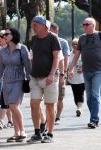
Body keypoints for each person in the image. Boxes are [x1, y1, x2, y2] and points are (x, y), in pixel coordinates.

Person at [68, 17, 101, 129]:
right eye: (84, 24)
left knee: (95, 95)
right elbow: (77, 55)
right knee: (89, 98)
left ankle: (94, 120)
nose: (85, 26)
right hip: (86, 71)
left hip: (98, 70)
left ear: (93, 25)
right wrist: (71, 69)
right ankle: (94, 116)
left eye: (87, 24)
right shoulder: (82, 38)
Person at [27, 15, 61, 143]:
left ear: (43, 25)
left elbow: (57, 57)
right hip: (35, 77)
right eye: (32, 25)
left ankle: (50, 134)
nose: (33, 27)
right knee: (33, 104)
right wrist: (30, 72)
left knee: (49, 106)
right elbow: (32, 57)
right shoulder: (33, 39)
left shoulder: (53, 38)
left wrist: (52, 74)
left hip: (49, 78)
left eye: (35, 25)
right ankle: (37, 132)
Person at [0, 28, 31, 142]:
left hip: (19, 80)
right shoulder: (2, 51)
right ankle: (16, 133)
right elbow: (0, 69)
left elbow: (28, 66)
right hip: (6, 81)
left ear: (14, 35)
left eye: (6, 34)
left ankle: (23, 131)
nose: (4, 36)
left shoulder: (22, 48)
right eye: (3, 34)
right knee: (12, 106)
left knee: (13, 106)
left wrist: (30, 81)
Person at [50, 23, 70, 125]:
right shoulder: (45, 41)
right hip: (49, 73)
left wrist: (64, 73)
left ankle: (57, 117)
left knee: (60, 97)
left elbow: (66, 57)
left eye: (50, 30)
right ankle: (51, 116)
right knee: (50, 97)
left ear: (56, 31)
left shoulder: (63, 42)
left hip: (60, 73)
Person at [0, 30, 13, 129]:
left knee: (6, 101)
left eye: (2, 36)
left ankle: (0, 121)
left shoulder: (11, 49)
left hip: (10, 79)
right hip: (1, 77)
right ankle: (10, 121)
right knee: (6, 101)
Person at [68, 38, 85, 117]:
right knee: (75, 94)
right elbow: (67, 65)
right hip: (72, 78)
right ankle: (78, 107)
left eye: (76, 44)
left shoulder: (83, 54)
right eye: (73, 44)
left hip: (82, 78)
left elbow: (88, 63)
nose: (75, 46)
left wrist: (83, 68)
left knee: (80, 93)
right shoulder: (70, 54)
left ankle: (80, 108)